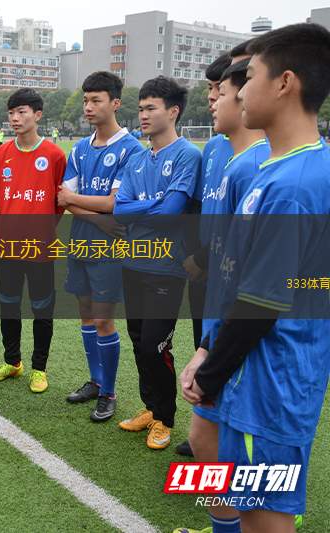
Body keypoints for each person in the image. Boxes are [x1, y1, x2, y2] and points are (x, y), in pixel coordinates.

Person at [181, 23, 330, 533]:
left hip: (270, 381)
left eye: (250, 78)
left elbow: (261, 303)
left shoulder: (296, 183)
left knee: (263, 518)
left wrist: (210, 374)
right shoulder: (274, 169)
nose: (239, 91)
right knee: (244, 505)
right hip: (253, 374)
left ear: (285, 83)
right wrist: (208, 348)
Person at [173, 58, 270, 533]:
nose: (212, 98)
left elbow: (265, 283)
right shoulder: (227, 156)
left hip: (249, 338)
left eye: (224, 88)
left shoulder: (264, 167)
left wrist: (213, 350)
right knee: (206, 438)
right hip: (221, 318)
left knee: (239, 451)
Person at [112, 76, 201, 450]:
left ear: (173, 111)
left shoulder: (187, 155)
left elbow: (171, 215)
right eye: (141, 108)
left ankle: (165, 417)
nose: (143, 115)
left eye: (151, 108)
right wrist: (155, 204)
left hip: (167, 268)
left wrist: (143, 209)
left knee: (155, 344)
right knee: (138, 340)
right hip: (133, 263)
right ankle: (151, 408)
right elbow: (119, 210)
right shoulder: (137, 158)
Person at [57, 72, 144, 421]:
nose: (88, 107)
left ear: (115, 103)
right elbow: (64, 199)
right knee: (86, 314)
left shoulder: (131, 149)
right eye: (86, 100)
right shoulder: (80, 148)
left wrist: (84, 204)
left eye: (96, 100)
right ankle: (95, 381)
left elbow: (114, 203)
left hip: (109, 250)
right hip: (81, 242)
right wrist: (98, 218)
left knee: (104, 320)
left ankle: (109, 391)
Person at [172, 52, 234, 459]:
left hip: (230, 272)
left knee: (230, 348)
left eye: (218, 88)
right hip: (202, 270)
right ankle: (207, 427)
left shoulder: (262, 154)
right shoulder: (212, 147)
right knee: (203, 344)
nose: (211, 97)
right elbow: (197, 205)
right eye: (210, 88)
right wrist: (194, 254)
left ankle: (226, 434)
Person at [0, 88, 66, 394]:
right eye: (11, 113)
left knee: (42, 309)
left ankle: (39, 368)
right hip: (7, 246)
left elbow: (59, 203)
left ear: (37, 115)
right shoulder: (1, 154)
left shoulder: (54, 155)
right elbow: (0, 195)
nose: (15, 118)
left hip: (40, 247)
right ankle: (12, 362)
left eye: (22, 112)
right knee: (8, 306)